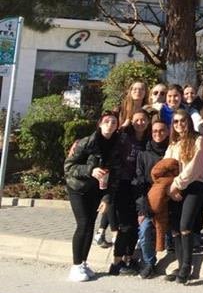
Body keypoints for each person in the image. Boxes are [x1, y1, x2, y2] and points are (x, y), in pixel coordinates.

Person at [64, 111, 120, 282]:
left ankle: (83, 262)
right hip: (78, 187)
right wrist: (90, 170)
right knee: (83, 223)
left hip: (96, 190)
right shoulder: (87, 142)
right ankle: (75, 266)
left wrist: (107, 198)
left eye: (114, 122)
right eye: (107, 121)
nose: (110, 124)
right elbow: (69, 167)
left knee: (90, 225)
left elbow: (115, 175)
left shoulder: (117, 145)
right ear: (100, 124)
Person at [164, 108, 203, 284]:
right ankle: (180, 264)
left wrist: (177, 184)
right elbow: (166, 165)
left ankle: (187, 266)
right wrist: (170, 187)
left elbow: (195, 166)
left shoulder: (199, 140)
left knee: (185, 225)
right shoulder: (173, 144)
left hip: (193, 186)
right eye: (175, 122)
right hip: (174, 188)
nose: (179, 124)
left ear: (189, 121)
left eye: (182, 120)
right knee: (175, 227)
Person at [110, 109, 149, 275]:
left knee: (135, 224)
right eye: (137, 120)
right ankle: (116, 262)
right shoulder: (124, 138)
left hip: (140, 185)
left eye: (143, 120)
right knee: (125, 225)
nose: (140, 123)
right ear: (132, 121)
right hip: (123, 184)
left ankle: (130, 258)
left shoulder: (148, 140)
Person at [133, 117, 169, 279]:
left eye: (162, 131)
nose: (158, 134)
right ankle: (149, 262)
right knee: (145, 228)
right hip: (148, 200)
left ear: (167, 132)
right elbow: (139, 182)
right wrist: (143, 208)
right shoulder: (143, 154)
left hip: (170, 199)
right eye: (155, 131)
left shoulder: (172, 151)